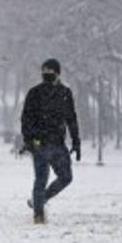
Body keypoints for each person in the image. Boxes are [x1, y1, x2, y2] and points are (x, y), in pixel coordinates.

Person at [21, 58, 80, 224]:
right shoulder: (34, 93)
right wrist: (29, 140)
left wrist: (76, 141)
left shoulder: (65, 93)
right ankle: (38, 215)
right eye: (44, 71)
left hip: (58, 144)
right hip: (39, 143)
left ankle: (39, 200)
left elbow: (71, 118)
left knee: (66, 177)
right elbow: (26, 119)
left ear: (57, 73)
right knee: (41, 178)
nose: (46, 74)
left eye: (50, 71)